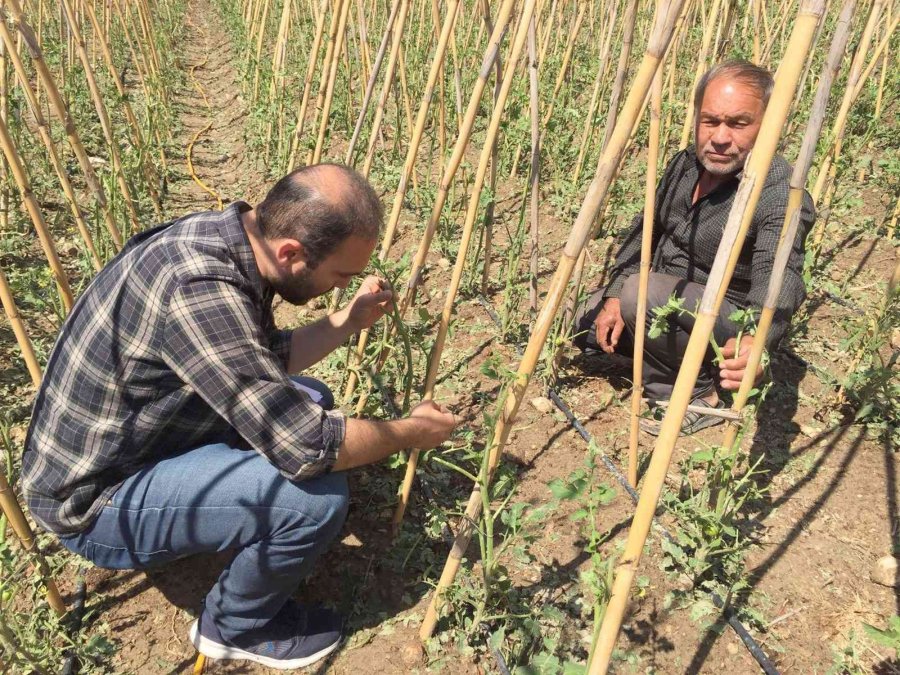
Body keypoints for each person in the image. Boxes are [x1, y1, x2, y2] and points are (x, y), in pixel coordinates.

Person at [21, 164, 459, 669]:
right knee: (311, 500)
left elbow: (260, 356)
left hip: (136, 438)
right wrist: (410, 432)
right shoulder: (199, 290)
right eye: (341, 276)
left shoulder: (227, 238)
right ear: (291, 253)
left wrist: (351, 318)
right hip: (93, 499)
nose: (342, 287)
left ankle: (229, 519)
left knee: (309, 394)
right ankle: (235, 627)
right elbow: (307, 447)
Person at [573, 60, 815, 435]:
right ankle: (658, 342)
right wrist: (615, 297)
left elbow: (780, 275)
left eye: (738, 123)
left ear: (768, 126)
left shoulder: (778, 192)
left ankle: (696, 395)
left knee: (643, 293)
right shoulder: (686, 163)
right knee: (582, 322)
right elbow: (646, 231)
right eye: (710, 121)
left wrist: (755, 339)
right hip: (661, 297)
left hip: (723, 319)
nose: (720, 137)